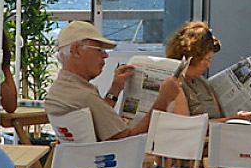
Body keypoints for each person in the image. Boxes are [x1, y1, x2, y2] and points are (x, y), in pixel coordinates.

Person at [43, 20, 181, 141]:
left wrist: (114, 90)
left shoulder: (62, 89)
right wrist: (163, 100)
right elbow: (127, 141)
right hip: (113, 167)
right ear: (77, 51)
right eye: (99, 50)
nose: (105, 55)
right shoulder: (84, 96)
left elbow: (99, 123)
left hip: (82, 165)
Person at [162, 20, 251, 121]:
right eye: (206, 60)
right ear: (193, 57)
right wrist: (230, 120)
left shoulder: (202, 82)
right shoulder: (174, 84)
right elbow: (187, 127)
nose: (209, 65)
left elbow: (220, 116)